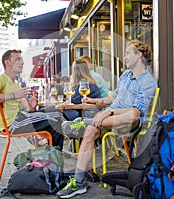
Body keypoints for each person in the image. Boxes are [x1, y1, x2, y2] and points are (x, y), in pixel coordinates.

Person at [56, 41, 158, 198]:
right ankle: (79, 181)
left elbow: (136, 112)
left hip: (131, 122)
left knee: (130, 115)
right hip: (111, 117)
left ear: (139, 55)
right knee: (91, 130)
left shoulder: (148, 82)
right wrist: (95, 101)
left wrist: (108, 112)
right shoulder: (125, 75)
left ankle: (84, 122)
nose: (125, 57)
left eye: (127, 53)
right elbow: (113, 98)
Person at [0, 49, 65, 150]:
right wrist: (13, 95)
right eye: (18, 59)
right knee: (56, 118)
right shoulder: (1, 80)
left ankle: (51, 154)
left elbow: (29, 110)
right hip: (11, 124)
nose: (22, 62)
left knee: (55, 115)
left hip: (21, 118)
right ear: (7, 63)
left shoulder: (16, 86)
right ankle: (72, 132)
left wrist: (32, 105)